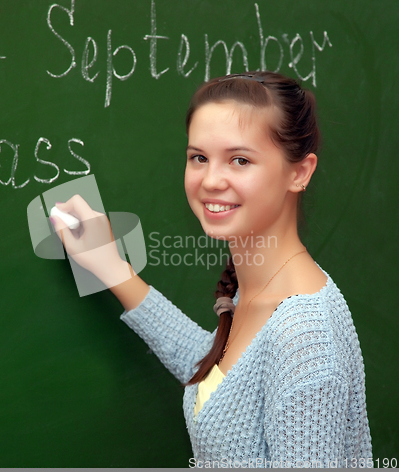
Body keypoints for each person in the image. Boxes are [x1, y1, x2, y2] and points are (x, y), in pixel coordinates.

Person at [50, 71, 372, 467]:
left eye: (240, 160)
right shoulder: (260, 287)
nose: (211, 180)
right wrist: (112, 268)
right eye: (199, 158)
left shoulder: (303, 341)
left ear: (299, 172)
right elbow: (220, 374)